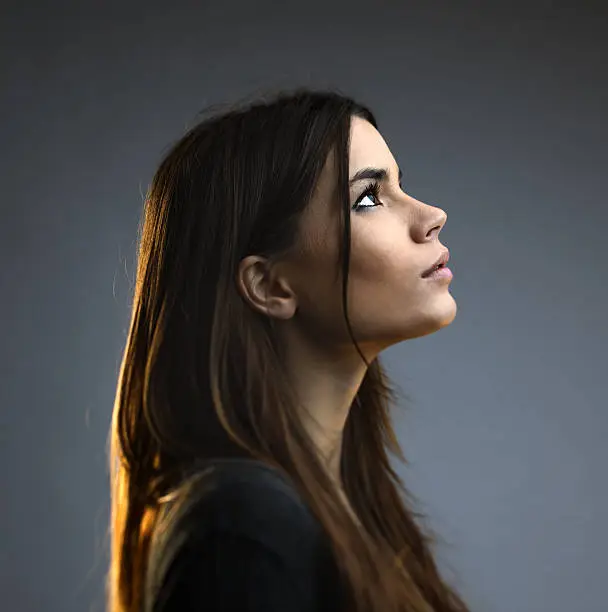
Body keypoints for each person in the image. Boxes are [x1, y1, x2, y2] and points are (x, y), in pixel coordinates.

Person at [107, 88, 470, 612]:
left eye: (400, 185)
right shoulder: (245, 529)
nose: (431, 215)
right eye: (368, 198)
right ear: (270, 285)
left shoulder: (341, 508)